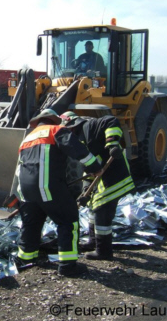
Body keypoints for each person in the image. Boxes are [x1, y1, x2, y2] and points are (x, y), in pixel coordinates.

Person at [15, 109, 102, 277]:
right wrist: (95, 167)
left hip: (26, 190)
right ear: (54, 120)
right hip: (46, 186)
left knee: (31, 223)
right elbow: (77, 149)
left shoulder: (27, 138)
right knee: (68, 220)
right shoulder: (55, 130)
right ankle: (68, 266)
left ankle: (26, 258)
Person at [60, 111, 136, 260]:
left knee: (101, 208)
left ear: (74, 125)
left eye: (68, 129)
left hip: (115, 175)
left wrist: (112, 143)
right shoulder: (79, 142)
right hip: (101, 177)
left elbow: (111, 120)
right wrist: (85, 194)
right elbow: (88, 169)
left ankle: (104, 251)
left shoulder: (91, 126)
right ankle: (93, 242)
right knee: (92, 207)